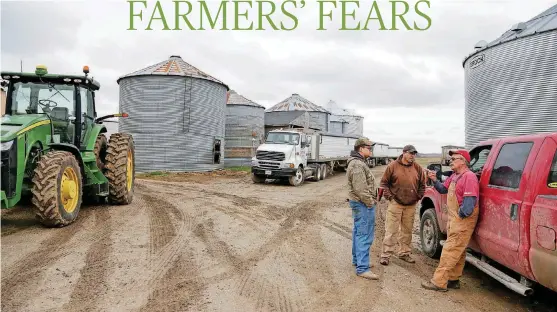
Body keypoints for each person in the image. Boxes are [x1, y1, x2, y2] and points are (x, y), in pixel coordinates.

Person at [421, 149, 480, 291]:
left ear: (463, 161)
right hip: (454, 219)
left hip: (462, 220)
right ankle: (453, 279)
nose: (451, 161)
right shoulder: (455, 176)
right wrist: (434, 179)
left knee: (449, 250)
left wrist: (460, 216)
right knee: (458, 251)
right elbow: (442, 189)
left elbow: (469, 204)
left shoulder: (469, 177)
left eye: (454, 159)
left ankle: (438, 282)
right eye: (451, 159)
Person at [379, 144, 426, 265]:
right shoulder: (392, 166)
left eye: (414, 154)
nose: (412, 156)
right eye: (410, 153)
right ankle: (386, 254)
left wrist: (418, 196)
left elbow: (422, 184)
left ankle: (404, 253)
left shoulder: (418, 168)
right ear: (404, 153)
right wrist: (390, 197)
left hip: (411, 204)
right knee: (391, 230)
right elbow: (384, 184)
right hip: (396, 203)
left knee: (407, 230)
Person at [347, 137, 379, 280]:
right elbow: (360, 188)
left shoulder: (358, 163)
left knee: (358, 232)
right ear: (361, 148)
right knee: (364, 234)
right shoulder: (358, 165)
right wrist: (370, 202)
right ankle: (362, 268)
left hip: (359, 203)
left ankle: (358, 261)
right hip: (362, 203)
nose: (370, 150)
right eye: (369, 147)